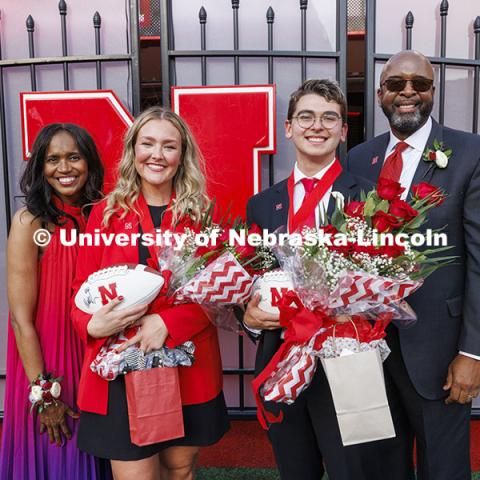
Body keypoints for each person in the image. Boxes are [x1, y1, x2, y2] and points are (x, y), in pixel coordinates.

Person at [71, 106, 229, 480]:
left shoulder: (203, 214)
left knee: (180, 468)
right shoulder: (105, 215)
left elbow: (217, 293)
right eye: (148, 143)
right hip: (119, 366)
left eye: (169, 146)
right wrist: (92, 325)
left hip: (186, 364)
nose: (157, 154)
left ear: (182, 155)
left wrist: (168, 322)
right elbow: (80, 291)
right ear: (133, 150)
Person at [346, 50, 480, 480]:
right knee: (382, 466)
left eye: (419, 84)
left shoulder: (469, 152)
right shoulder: (357, 158)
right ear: (381, 93)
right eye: (397, 84)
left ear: (432, 93)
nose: (408, 92)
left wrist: (472, 351)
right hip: (370, 348)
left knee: (443, 469)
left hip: (440, 351)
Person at [244, 79, 380, 480]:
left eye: (329, 118)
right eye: (306, 116)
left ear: (343, 131)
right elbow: (250, 281)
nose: (316, 126)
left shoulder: (370, 200)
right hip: (281, 357)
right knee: (295, 470)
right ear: (288, 127)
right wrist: (250, 317)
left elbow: (385, 281)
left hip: (349, 360)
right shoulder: (263, 204)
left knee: (352, 471)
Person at [0, 124, 111, 479]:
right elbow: (20, 320)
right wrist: (44, 393)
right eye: (53, 159)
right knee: (56, 452)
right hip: (47, 363)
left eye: (74, 157)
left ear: (89, 163)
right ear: (40, 168)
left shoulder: (103, 216)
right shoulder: (29, 223)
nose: (64, 168)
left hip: (92, 356)